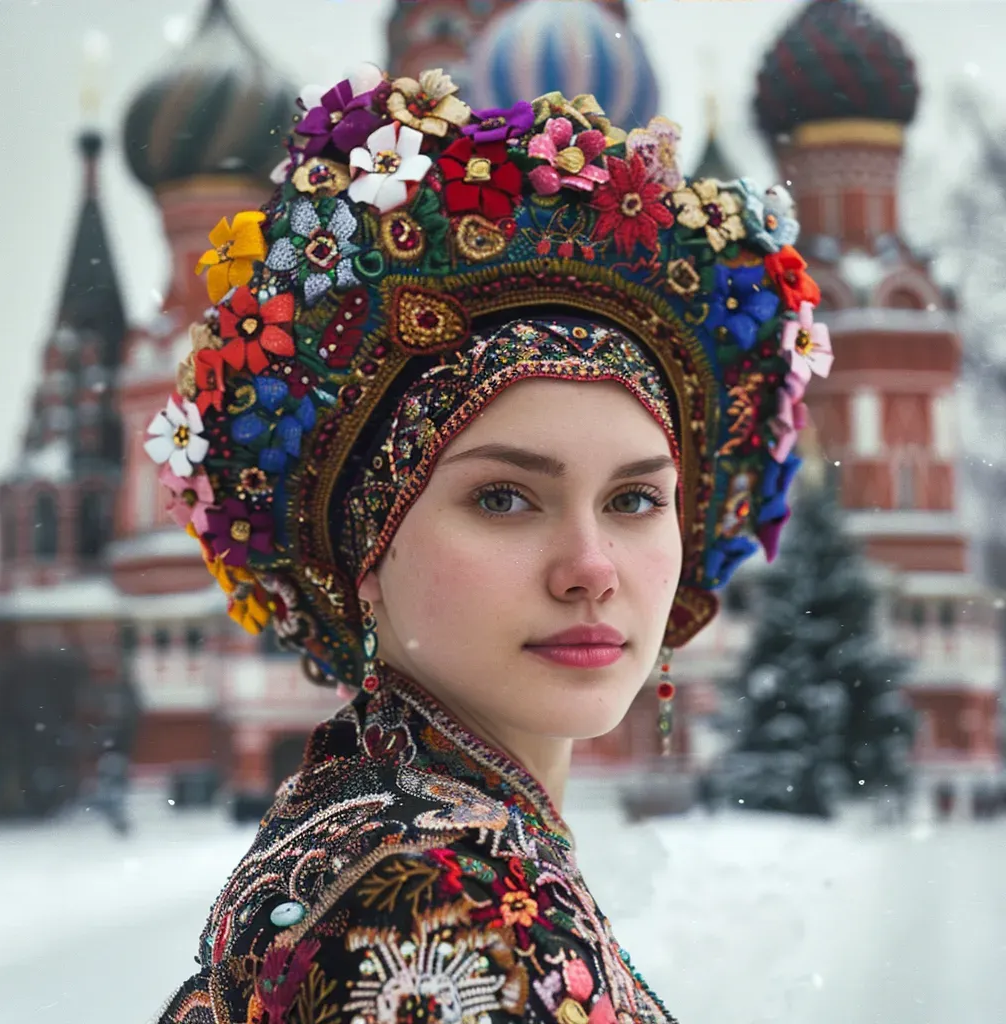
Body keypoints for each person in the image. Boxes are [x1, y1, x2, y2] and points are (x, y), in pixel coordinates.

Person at [147, 64, 829, 1024]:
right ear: (367, 560)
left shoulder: (406, 839)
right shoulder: (438, 906)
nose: (591, 569)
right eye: (506, 497)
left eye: (635, 500)